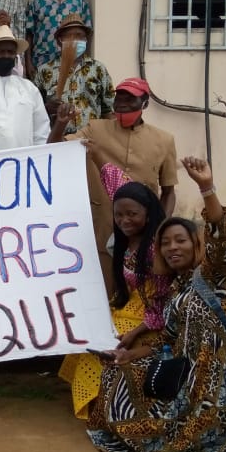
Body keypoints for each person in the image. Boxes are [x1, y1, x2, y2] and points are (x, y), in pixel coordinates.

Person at [88, 157, 226, 452]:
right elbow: (168, 338)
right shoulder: (176, 287)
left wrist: (207, 187)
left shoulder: (212, 276)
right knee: (116, 373)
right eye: (165, 243)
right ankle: (207, 433)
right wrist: (128, 355)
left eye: (180, 241)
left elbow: (220, 235)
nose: (172, 248)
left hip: (216, 375)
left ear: (196, 244)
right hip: (182, 366)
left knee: (178, 437)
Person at [58, 159, 171, 420]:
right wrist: (89, 151)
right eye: (119, 214)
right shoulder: (124, 242)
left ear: (148, 213)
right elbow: (112, 178)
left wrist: (135, 332)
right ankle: (100, 399)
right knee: (84, 334)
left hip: (152, 320)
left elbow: (163, 303)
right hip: (125, 306)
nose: (124, 220)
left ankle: (108, 403)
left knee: (106, 345)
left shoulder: (156, 249)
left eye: (132, 214)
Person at [49, 77, 178, 293]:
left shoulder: (164, 140)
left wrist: (159, 229)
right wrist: (60, 123)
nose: (123, 103)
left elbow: (168, 191)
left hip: (143, 235)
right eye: (119, 97)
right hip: (102, 227)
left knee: (142, 296)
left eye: (131, 98)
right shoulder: (95, 129)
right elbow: (54, 149)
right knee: (103, 293)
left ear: (145, 103)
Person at [34, 14, 114, 133]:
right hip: (57, 140)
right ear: (59, 41)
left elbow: (108, 110)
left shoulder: (98, 69)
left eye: (79, 36)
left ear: (86, 40)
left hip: (91, 139)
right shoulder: (45, 71)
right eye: (69, 36)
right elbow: (34, 110)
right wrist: (47, 107)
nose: (75, 40)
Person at [25, 0, 92, 75]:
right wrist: (28, 63)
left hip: (73, 62)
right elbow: (29, 34)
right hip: (42, 62)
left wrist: (86, 59)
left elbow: (87, 31)